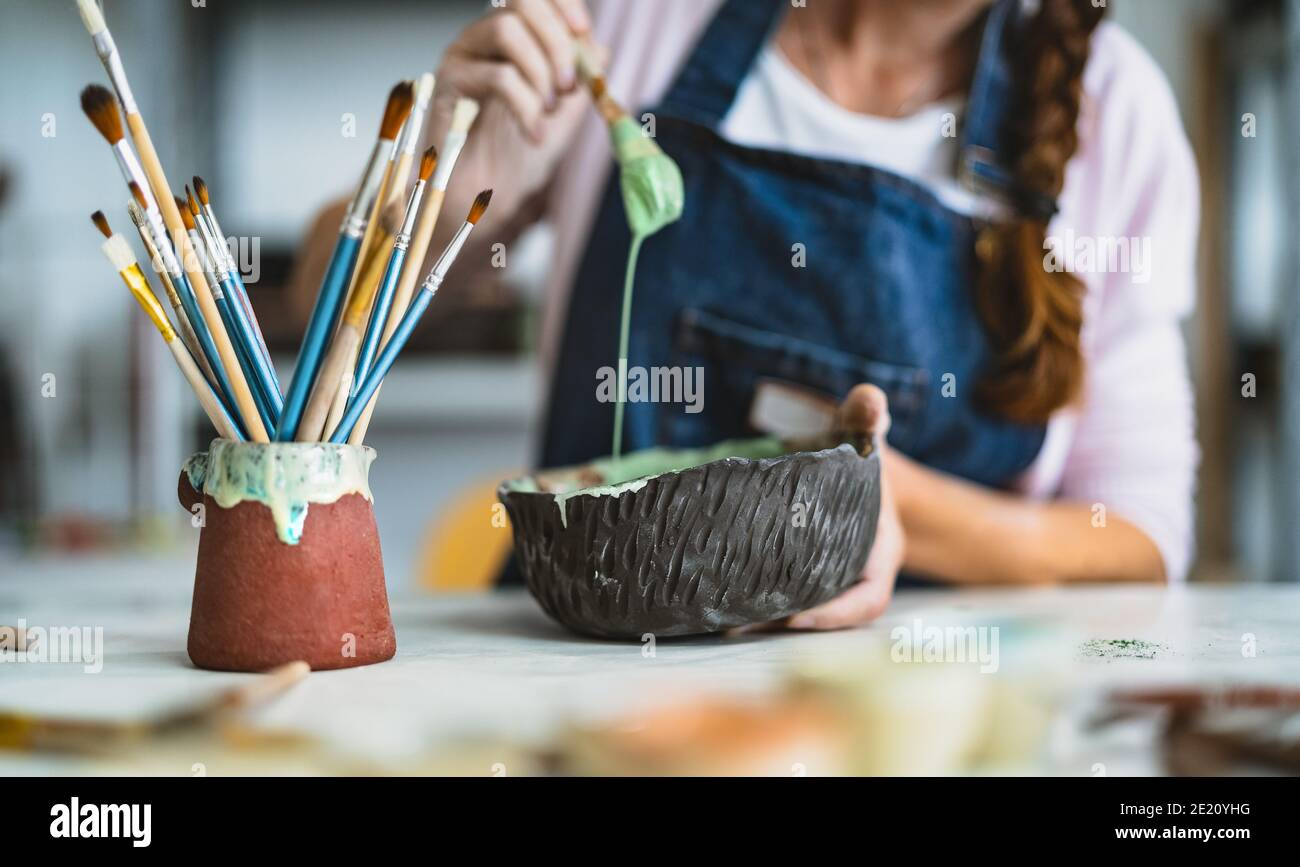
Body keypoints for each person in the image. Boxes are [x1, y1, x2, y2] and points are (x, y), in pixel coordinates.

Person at [300, 0, 1200, 628]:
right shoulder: (628, 20)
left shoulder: (1114, 111)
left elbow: (1139, 537)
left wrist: (879, 506)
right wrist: (443, 191)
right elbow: (315, 315)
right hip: (588, 689)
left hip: (921, 714)